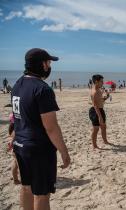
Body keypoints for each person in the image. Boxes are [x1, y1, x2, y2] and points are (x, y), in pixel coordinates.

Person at [11, 48, 70, 210]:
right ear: (41, 64)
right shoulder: (43, 89)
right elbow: (51, 127)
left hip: (21, 145)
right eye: (48, 62)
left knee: (26, 187)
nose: (50, 66)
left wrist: (13, 138)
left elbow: (17, 116)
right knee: (42, 194)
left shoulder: (17, 84)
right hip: (39, 148)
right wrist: (64, 151)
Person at [89, 74, 110, 149]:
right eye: (101, 81)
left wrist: (106, 97)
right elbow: (95, 105)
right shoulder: (95, 91)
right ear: (96, 82)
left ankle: (105, 141)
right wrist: (100, 117)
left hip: (100, 109)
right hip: (95, 111)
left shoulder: (99, 90)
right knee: (96, 128)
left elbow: (100, 101)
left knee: (103, 126)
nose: (103, 83)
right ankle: (94, 145)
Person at [7, 113, 20, 185]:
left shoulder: (11, 128)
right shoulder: (17, 129)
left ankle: (15, 179)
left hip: (13, 149)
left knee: (15, 163)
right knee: (19, 164)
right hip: (18, 148)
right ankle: (17, 179)